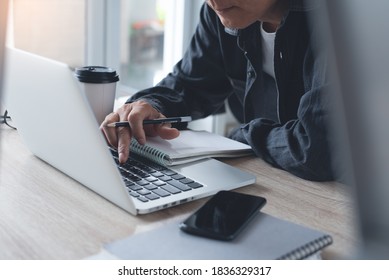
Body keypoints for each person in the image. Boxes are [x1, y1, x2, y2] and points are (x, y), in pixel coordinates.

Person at [101, 0, 335, 182]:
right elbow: (190, 84)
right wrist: (148, 107)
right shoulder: (225, 13)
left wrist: (244, 137)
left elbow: (317, 149)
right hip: (268, 179)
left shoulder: (341, 22)